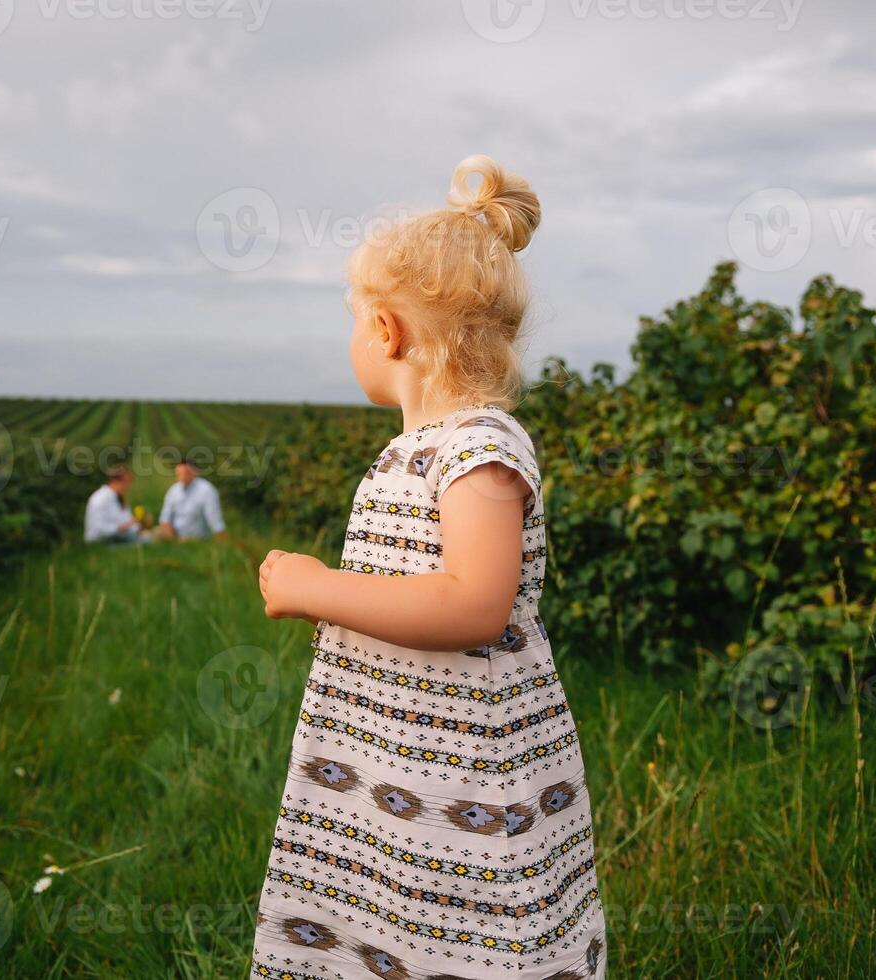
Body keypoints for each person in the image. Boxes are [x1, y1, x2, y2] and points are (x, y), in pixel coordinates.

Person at [250, 156, 606, 978]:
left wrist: (315, 589)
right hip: (396, 753)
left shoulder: (478, 449)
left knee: (468, 927)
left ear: (386, 331)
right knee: (395, 908)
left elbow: (475, 603)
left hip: (464, 776)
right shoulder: (420, 449)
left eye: (353, 320)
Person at [155, 458, 227, 541]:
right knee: (150, 536)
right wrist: (168, 533)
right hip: (175, 536)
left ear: (194, 472)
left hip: (197, 538)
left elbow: (215, 519)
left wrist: (222, 539)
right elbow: (165, 518)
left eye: (185, 473)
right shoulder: (173, 490)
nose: (182, 477)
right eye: (179, 474)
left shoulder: (207, 490)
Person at [83, 465, 144, 543]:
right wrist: (120, 528)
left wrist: (140, 525)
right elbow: (97, 529)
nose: (129, 486)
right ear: (115, 481)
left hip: (120, 537)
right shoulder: (100, 498)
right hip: (101, 541)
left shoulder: (119, 498)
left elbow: (128, 523)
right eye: (127, 482)